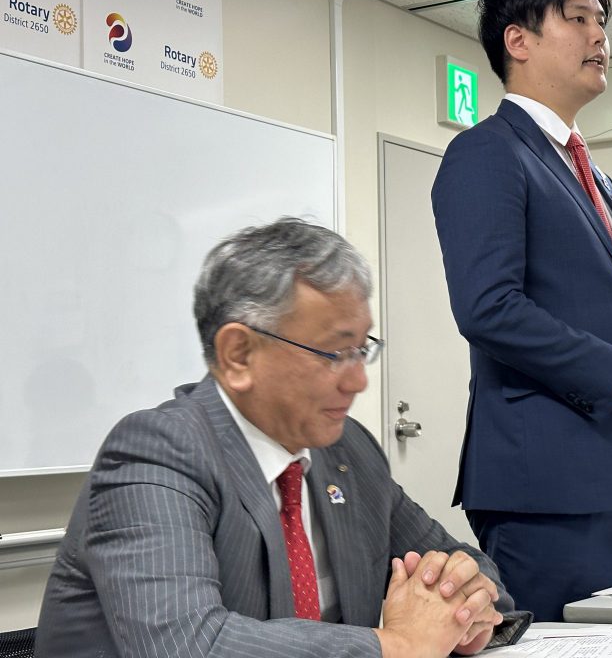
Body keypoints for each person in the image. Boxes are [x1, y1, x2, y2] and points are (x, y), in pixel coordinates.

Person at [36, 218, 529, 658]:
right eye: (334, 353)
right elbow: (187, 645)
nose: (358, 381)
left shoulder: (348, 450)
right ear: (238, 354)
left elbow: (473, 573)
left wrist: (466, 614)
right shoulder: (156, 453)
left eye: (362, 350)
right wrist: (396, 647)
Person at [431, 0, 612, 621]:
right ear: (517, 40)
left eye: (601, 21)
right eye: (578, 19)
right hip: (546, 487)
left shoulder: (593, 174)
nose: (599, 36)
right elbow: (489, 308)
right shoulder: (487, 152)